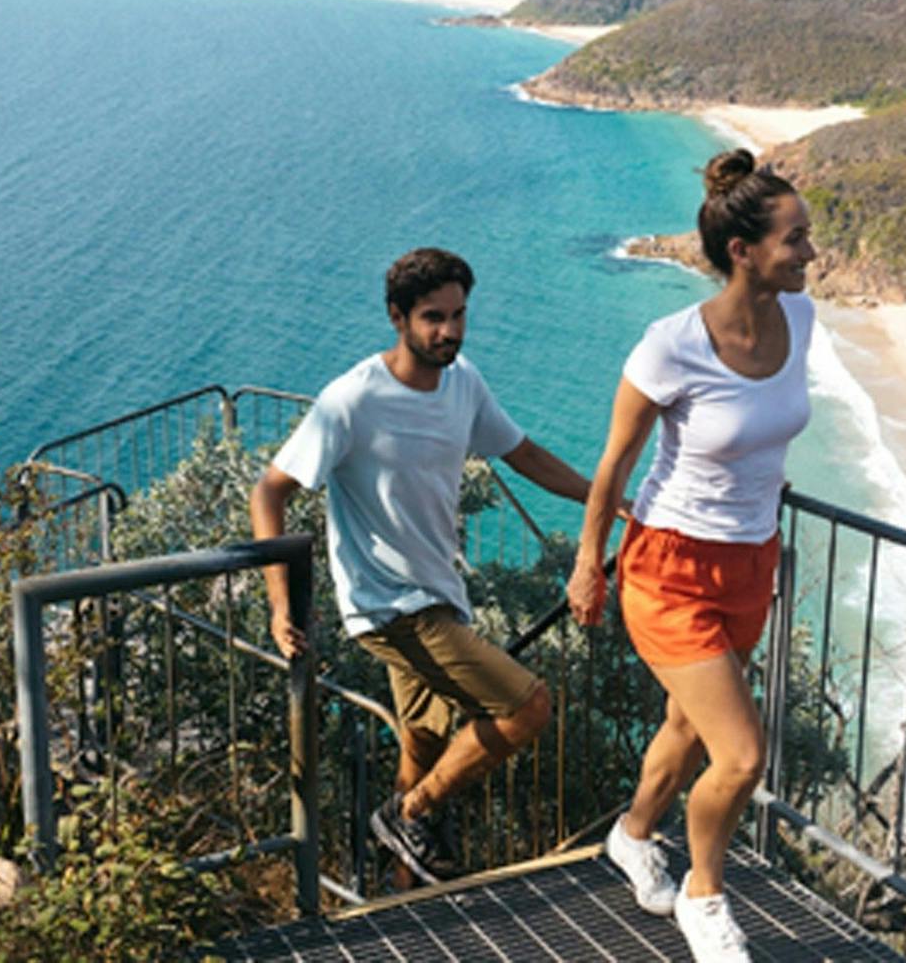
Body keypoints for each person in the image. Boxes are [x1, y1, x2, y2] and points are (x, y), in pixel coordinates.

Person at [249, 246, 598, 886]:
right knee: (527, 708)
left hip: (440, 595)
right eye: (434, 317)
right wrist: (281, 605)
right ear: (397, 317)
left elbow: (522, 454)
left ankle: (394, 891)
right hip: (387, 607)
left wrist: (603, 497)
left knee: (425, 744)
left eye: (460, 314)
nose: (451, 332)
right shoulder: (351, 400)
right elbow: (269, 491)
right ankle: (407, 812)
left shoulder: (463, 381)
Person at [565, 149, 815, 963]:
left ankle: (634, 836)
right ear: (743, 251)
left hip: (752, 561)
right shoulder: (671, 344)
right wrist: (587, 562)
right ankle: (705, 896)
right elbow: (614, 465)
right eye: (795, 239)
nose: (811, 252)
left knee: (687, 722)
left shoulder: (803, 320)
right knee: (741, 756)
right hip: (670, 569)